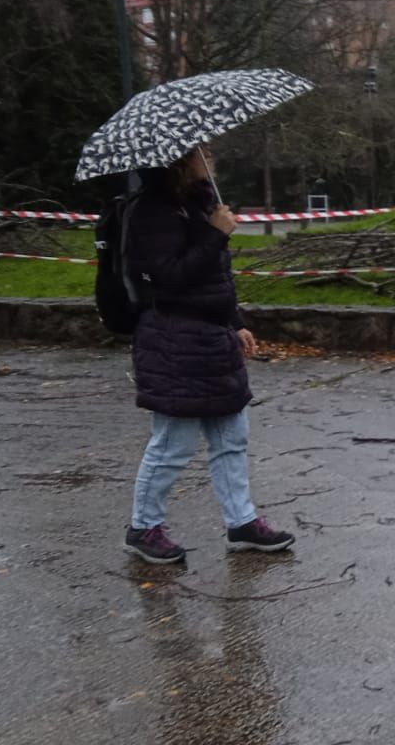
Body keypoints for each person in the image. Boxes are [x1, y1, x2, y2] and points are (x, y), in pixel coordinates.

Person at [122, 145, 294, 564]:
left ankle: (242, 521)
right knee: (172, 444)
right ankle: (143, 527)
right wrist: (215, 233)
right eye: (201, 150)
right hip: (174, 341)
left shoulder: (199, 205)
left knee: (231, 438)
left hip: (212, 339)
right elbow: (171, 278)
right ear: (178, 160)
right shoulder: (152, 212)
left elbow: (213, 278)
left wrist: (235, 322)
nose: (210, 154)